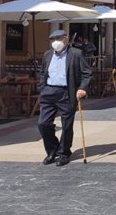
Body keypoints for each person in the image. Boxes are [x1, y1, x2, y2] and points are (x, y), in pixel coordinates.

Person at [37, 30, 93, 166]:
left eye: (58, 38)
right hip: (49, 91)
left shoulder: (76, 54)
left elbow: (87, 73)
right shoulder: (47, 55)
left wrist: (82, 88)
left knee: (67, 125)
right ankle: (52, 150)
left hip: (66, 92)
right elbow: (43, 72)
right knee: (43, 123)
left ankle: (64, 152)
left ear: (66, 39)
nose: (55, 42)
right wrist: (42, 87)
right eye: (52, 39)